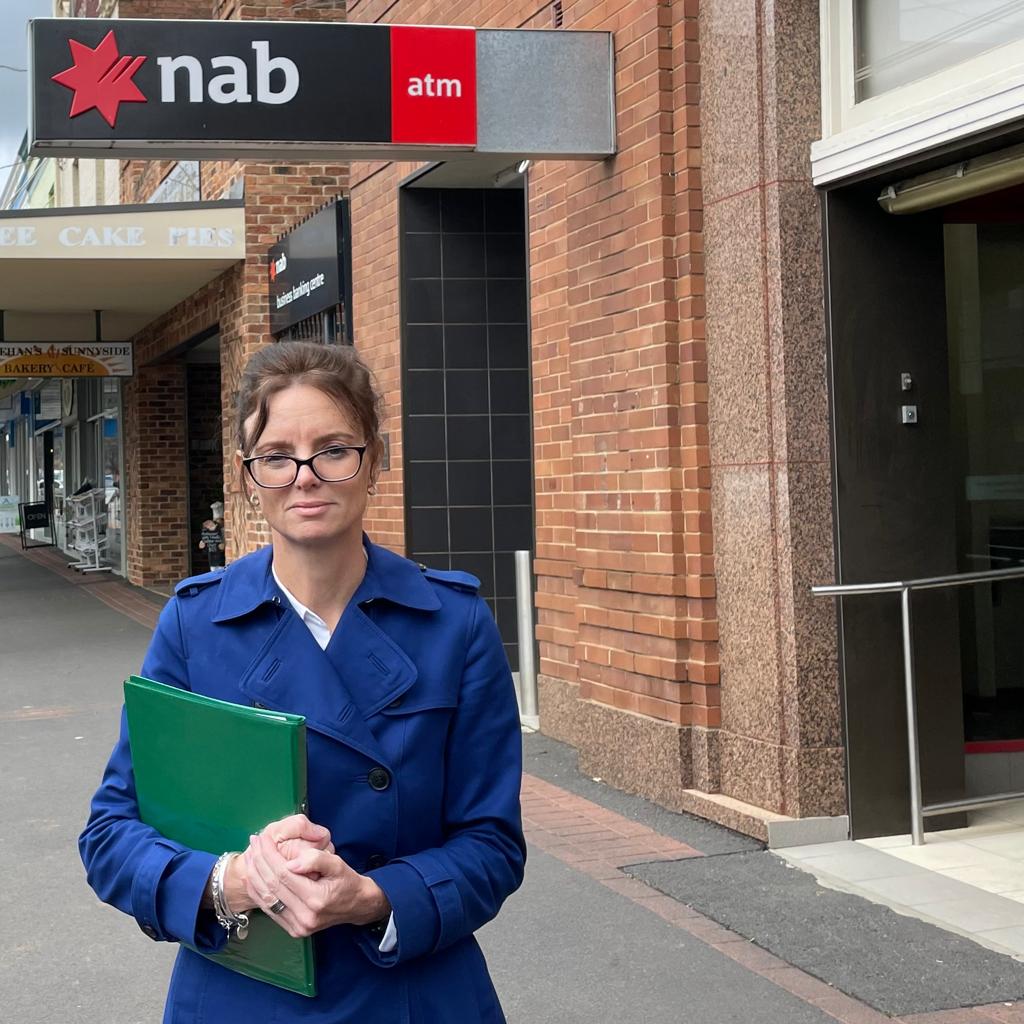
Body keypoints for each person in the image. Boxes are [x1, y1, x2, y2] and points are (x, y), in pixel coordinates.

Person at [79, 341, 526, 1023]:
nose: (305, 475)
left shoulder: (455, 624)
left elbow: (492, 844)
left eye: (334, 449)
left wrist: (375, 898)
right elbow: (112, 834)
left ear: (376, 459)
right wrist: (228, 881)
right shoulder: (195, 624)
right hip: (243, 992)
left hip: (412, 990)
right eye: (277, 455)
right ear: (246, 476)